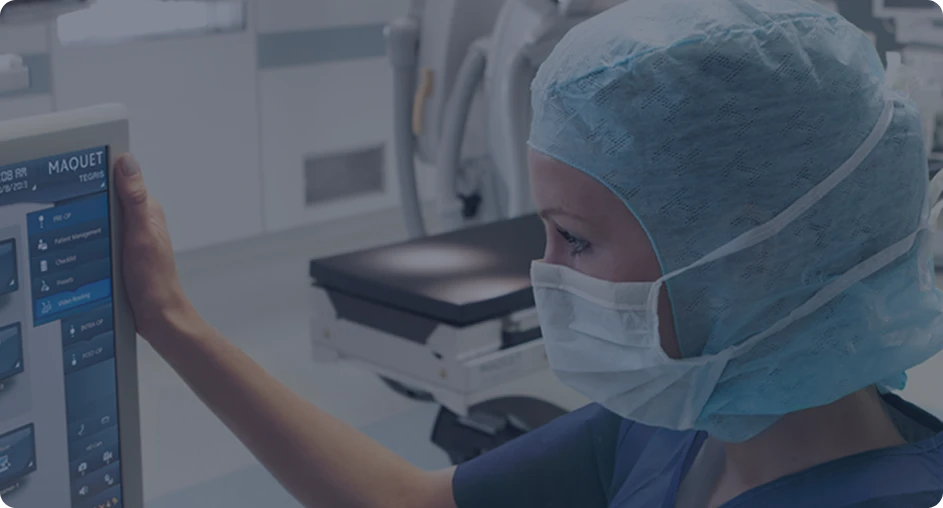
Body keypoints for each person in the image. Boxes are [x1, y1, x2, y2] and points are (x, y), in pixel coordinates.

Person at [115, 0, 943, 506]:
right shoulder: (676, 430)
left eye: (575, 240)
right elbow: (406, 503)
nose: (543, 271)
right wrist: (171, 319)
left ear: (752, 255)